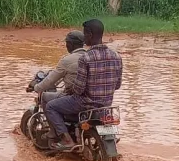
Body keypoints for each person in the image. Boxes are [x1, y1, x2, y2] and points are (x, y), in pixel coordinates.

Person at [45, 19, 123, 150]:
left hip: (84, 104)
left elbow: (79, 89)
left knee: (50, 106)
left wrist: (70, 90)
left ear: (90, 35)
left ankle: (66, 140)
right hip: (105, 105)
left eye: (85, 34)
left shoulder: (86, 58)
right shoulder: (116, 56)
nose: (84, 37)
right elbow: (117, 85)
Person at [30, 31, 86, 112]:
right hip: (88, 98)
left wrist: (36, 88)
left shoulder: (67, 60)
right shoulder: (89, 57)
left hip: (74, 98)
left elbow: (50, 80)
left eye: (67, 43)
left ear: (70, 44)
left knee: (44, 96)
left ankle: (51, 123)